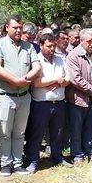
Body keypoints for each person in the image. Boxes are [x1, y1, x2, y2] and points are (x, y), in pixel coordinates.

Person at [0, 14, 40, 176]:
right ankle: (5, 164)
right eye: (15, 27)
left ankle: (18, 163)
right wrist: (15, 81)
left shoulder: (29, 46)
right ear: (7, 27)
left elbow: (37, 67)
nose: (18, 30)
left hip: (24, 96)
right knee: (4, 132)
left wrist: (25, 79)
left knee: (19, 133)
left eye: (20, 27)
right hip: (5, 96)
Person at [25, 33, 72, 173]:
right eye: (48, 46)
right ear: (41, 45)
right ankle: (32, 160)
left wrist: (63, 81)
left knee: (57, 132)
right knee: (36, 133)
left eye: (53, 46)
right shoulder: (36, 61)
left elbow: (68, 77)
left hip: (58, 102)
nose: (52, 49)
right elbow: (37, 83)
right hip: (41, 104)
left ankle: (57, 157)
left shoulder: (60, 59)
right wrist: (57, 79)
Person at [66, 28, 92, 163]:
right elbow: (75, 79)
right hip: (78, 99)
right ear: (82, 41)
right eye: (89, 41)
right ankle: (77, 155)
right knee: (76, 129)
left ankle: (88, 152)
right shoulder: (73, 55)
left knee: (91, 127)